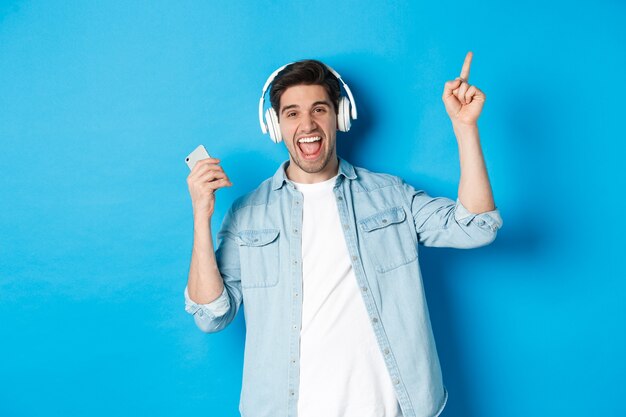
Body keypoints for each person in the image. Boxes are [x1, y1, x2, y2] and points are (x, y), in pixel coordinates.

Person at [184, 53, 502, 417]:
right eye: (292, 113)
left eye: (319, 109)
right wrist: (201, 215)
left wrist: (465, 129)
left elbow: (475, 227)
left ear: (340, 116)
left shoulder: (389, 194)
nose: (307, 124)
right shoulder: (248, 213)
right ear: (275, 126)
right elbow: (211, 314)